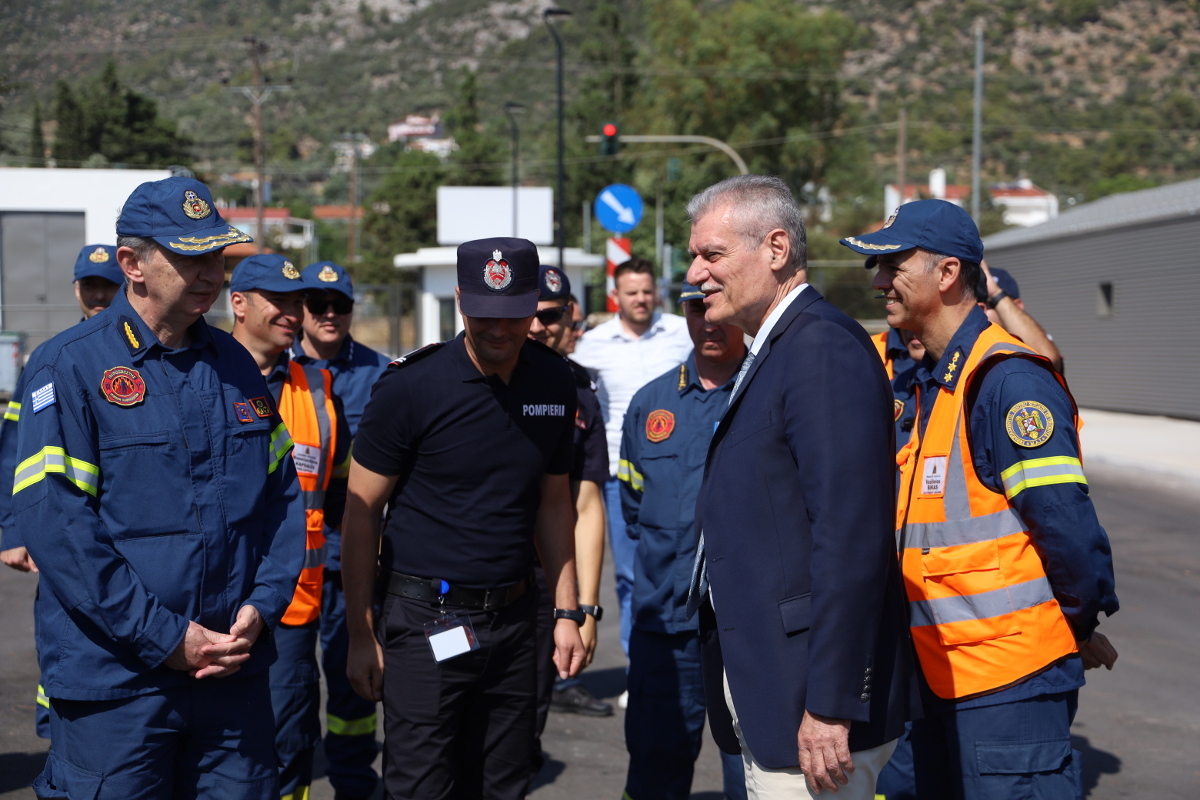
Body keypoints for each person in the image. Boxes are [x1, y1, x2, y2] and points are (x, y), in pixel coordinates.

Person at [14, 176, 305, 798]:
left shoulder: (236, 366)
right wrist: (165, 638)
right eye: (188, 257)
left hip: (231, 673)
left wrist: (263, 606)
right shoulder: (68, 366)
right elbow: (59, 528)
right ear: (132, 265)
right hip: (118, 687)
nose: (210, 274)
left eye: (216, 258)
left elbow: (282, 502)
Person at [850, 198, 1119, 799]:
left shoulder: (1006, 382)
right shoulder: (940, 380)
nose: (879, 281)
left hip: (1008, 683)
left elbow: (1068, 532)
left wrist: (1070, 625)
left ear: (946, 275)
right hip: (945, 676)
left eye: (892, 265)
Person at [683, 175, 912, 798]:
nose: (697, 273)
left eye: (713, 254)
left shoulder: (820, 348)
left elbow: (850, 536)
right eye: (695, 256)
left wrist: (832, 701)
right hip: (773, 680)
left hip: (810, 699)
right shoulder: (773, 348)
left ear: (776, 249)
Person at [342, 237, 586, 800]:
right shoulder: (411, 387)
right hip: (427, 624)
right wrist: (361, 633)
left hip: (516, 623)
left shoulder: (554, 382)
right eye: (484, 316)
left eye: (513, 316)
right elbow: (361, 514)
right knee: (420, 787)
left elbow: (554, 504)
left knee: (503, 785)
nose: (499, 330)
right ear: (459, 301)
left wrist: (568, 610)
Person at [230, 254, 352, 800]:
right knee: (218, 747)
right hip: (210, 601)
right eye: (277, 300)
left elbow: (345, 492)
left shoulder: (320, 391)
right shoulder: (192, 375)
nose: (292, 312)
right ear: (238, 303)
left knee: (287, 742)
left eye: (295, 302)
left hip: (291, 605)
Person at [618, 283, 748, 800]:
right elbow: (632, 507)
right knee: (653, 773)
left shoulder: (767, 392)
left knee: (755, 780)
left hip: (745, 635)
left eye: (719, 307)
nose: (709, 320)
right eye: (697, 308)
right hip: (664, 631)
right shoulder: (650, 404)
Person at [0, 242, 125, 739]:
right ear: (77, 289)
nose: (99, 294)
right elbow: (14, 452)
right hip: (62, 533)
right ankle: (61, 734)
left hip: (117, 533)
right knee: (62, 635)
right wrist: (11, 529)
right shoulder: (52, 358)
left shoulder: (135, 356)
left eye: (107, 285)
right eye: (90, 285)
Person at [291, 260, 390, 800]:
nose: (329, 315)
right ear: (302, 309)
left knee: (355, 683)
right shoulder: (275, 371)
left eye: (340, 305)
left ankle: (354, 786)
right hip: (289, 558)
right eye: (318, 305)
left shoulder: (382, 373)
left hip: (352, 553)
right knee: (290, 687)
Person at [572, 257, 693, 665]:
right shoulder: (593, 345)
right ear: (616, 296)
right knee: (627, 574)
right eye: (631, 292)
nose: (641, 299)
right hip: (616, 475)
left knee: (683, 566)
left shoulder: (682, 333)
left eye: (646, 291)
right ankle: (636, 662)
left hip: (678, 473)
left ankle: (688, 657)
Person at [527, 265, 611, 732]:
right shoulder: (475, 377)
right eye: (532, 314)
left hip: (545, 587)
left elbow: (585, 504)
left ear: (570, 318)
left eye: (553, 315)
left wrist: (586, 608)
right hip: (465, 582)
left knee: (523, 731)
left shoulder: (582, 392)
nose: (540, 326)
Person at [980, 263, 1064, 373]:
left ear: (1017, 305)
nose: (982, 310)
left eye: (990, 303)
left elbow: (1047, 360)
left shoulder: (1035, 339)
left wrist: (995, 293)